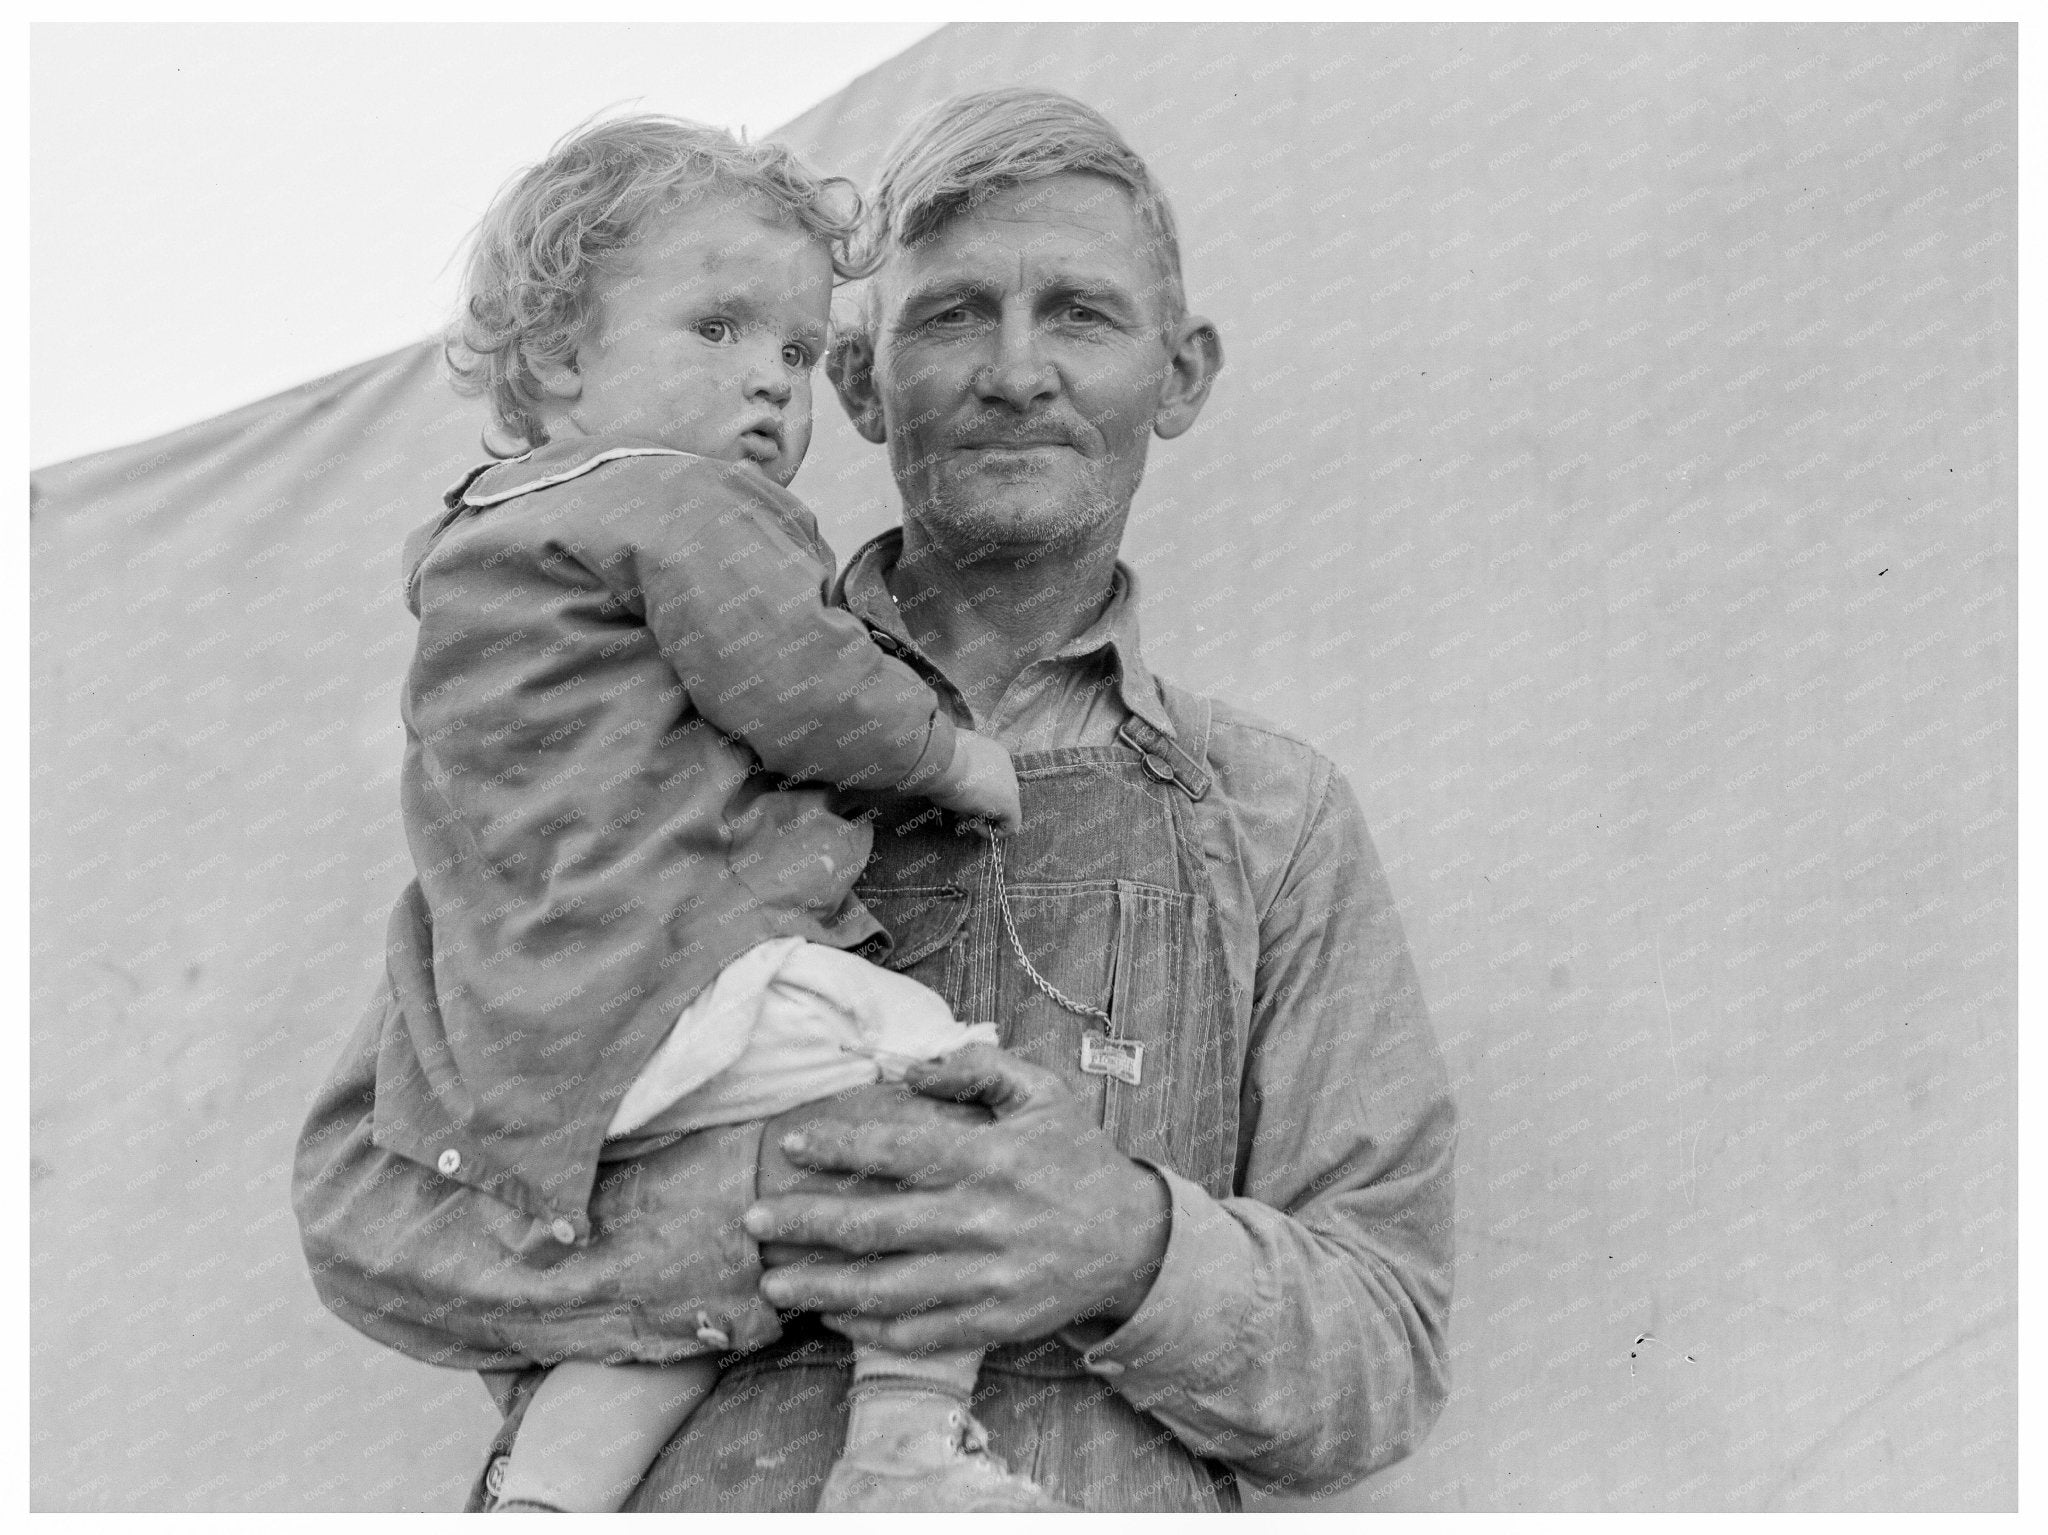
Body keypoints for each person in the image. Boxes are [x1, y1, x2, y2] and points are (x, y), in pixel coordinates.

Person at [294, 88, 1457, 1513]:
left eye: (1082, 315)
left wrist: (1126, 1249)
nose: (1017, 373)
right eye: (955, 314)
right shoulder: (600, 736)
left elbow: (1385, 1350)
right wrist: (766, 1205)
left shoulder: (1268, 816)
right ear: (854, 378)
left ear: (1181, 373)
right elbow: (369, 1210)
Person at [306, 113, 1072, 1513]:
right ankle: (904, 1451)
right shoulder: (675, 501)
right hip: (667, 974)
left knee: (658, 1315)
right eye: (718, 330)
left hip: (531, 1048)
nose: (770, 385)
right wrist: (952, 758)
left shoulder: (483, 542)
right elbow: (805, 683)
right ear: (556, 358)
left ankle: (543, 1501)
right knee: (948, 1096)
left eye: (791, 349)